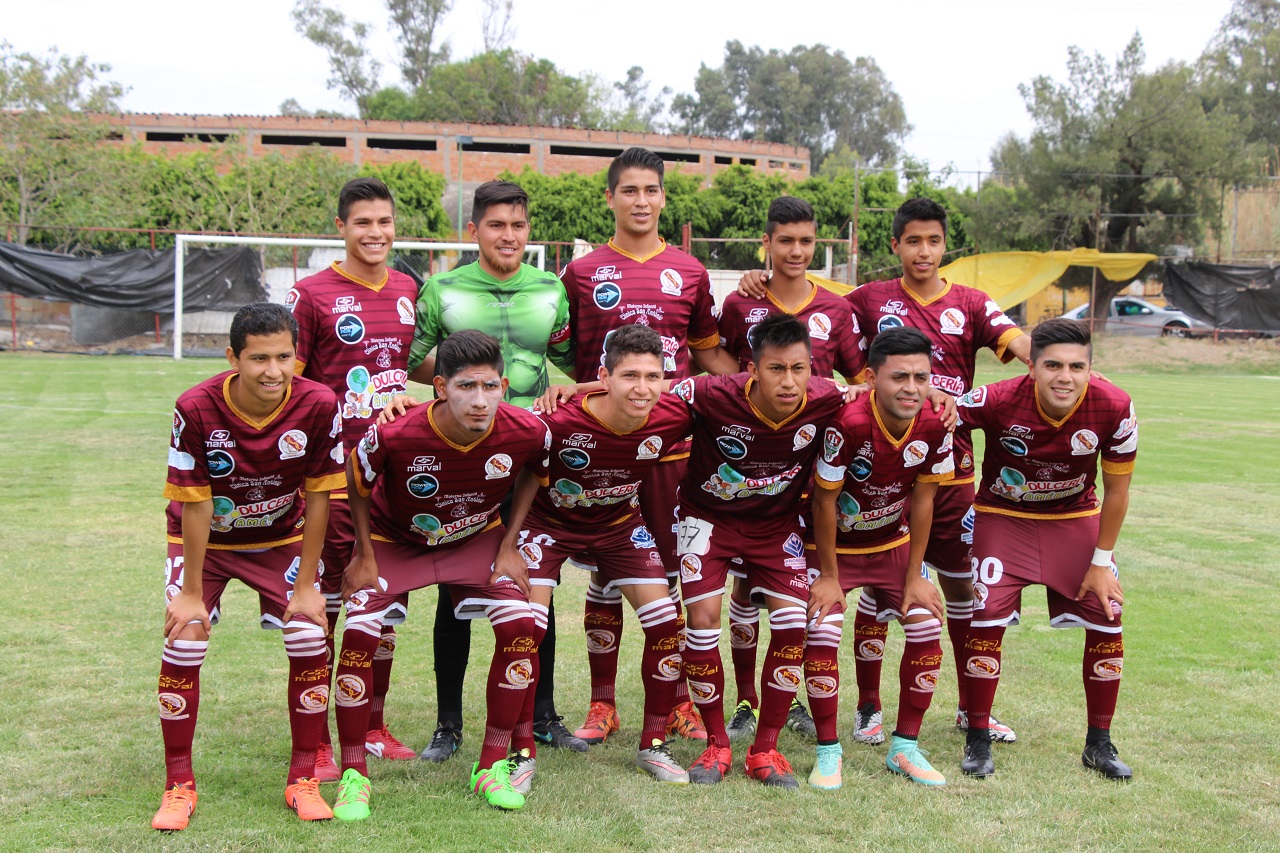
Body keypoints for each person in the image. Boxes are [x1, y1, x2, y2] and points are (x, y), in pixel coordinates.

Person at [739, 196, 1029, 746]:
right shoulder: (867, 299)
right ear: (894, 245)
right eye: (913, 240)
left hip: (951, 472)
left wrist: (1056, 359)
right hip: (876, 474)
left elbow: (1017, 342)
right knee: (875, 585)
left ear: (946, 245)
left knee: (959, 590)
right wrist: (759, 278)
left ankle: (975, 709)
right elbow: (806, 297)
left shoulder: (970, 302)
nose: (924, 251)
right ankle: (868, 708)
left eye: (934, 240)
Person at [554, 146, 738, 745]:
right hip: (604, 450)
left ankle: (678, 697)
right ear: (610, 198)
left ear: (663, 197)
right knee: (607, 572)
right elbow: (559, 348)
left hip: (674, 451)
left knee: (677, 571)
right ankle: (602, 703)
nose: (640, 201)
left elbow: (708, 351)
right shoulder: (580, 274)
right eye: (629, 190)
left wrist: (754, 394)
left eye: (651, 191)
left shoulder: (689, 271)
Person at [329, 330, 550, 818]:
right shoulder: (394, 432)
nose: (479, 401)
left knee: (522, 623)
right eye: (466, 387)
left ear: (505, 385)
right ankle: (353, 774)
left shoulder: (528, 429)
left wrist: (510, 542)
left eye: (490, 387)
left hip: (474, 539)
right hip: (395, 542)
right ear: (441, 387)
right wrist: (364, 553)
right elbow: (356, 483)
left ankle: (491, 764)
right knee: (361, 633)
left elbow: (536, 471)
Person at [403, 180, 584, 761]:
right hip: (466, 457)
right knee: (454, 589)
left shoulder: (550, 287)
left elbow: (571, 359)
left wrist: (566, 391)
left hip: (529, 453)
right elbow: (410, 359)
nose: (509, 236)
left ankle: (545, 713)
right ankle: (448, 725)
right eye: (497, 225)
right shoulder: (443, 288)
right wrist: (466, 384)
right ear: (475, 229)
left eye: (519, 226)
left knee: (536, 586)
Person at [152, 303, 345, 830]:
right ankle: (178, 786)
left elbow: (321, 496)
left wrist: (308, 586)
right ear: (232, 356)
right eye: (259, 358)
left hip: (281, 538)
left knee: (309, 633)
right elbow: (194, 503)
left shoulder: (318, 403)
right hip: (206, 545)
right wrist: (190, 592)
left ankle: (303, 778)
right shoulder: (194, 407)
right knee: (184, 637)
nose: (273, 371)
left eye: (284, 356)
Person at [494, 324, 697, 785]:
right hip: (549, 526)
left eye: (652, 376)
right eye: (629, 376)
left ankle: (654, 744)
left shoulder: (672, 414)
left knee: (665, 622)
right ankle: (521, 750)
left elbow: (734, 392)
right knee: (525, 627)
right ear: (605, 376)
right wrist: (509, 543)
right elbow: (525, 473)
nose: (642, 388)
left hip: (619, 527)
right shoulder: (560, 420)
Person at [955, 318, 1137, 780]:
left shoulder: (1114, 405)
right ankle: (977, 738)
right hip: (1003, 518)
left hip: (1073, 520)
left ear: (1091, 369)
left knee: (1108, 618)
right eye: (1052, 364)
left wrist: (1100, 562)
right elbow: (942, 413)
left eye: (1077, 366)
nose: (1065, 376)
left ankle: (1099, 742)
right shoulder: (998, 399)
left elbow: (1117, 492)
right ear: (1031, 367)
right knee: (986, 618)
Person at [672, 313, 845, 789]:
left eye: (799, 368)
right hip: (708, 519)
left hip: (775, 526)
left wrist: (937, 395)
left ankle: (764, 749)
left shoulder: (828, 397)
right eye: (775, 369)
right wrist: (577, 389)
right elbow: (642, 393)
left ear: (812, 368)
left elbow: (876, 399)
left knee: (794, 626)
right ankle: (716, 745)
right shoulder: (711, 392)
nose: (788, 381)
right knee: (704, 617)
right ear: (751, 369)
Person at [717, 196, 867, 743]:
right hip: (748, 463)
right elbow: (715, 363)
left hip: (813, 467)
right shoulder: (740, 303)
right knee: (741, 583)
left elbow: (860, 377)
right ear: (768, 243)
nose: (797, 251)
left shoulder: (838, 308)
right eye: (786, 241)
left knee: (797, 582)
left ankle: (795, 693)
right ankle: (745, 701)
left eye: (806, 241)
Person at [286, 177, 420, 772]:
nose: (375, 233)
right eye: (363, 223)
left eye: (384, 222)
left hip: (389, 472)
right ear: (340, 227)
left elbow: (402, 368)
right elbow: (284, 382)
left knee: (383, 603)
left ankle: (372, 723)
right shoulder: (310, 295)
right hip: (332, 476)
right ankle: (316, 738)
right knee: (330, 604)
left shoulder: (408, 288)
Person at [804, 327, 955, 790]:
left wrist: (915, 576)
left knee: (927, 622)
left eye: (922, 377)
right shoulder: (849, 422)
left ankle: (905, 747)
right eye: (899, 377)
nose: (912, 388)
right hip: (832, 549)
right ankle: (828, 752)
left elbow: (924, 501)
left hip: (893, 544)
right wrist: (829, 576)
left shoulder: (935, 420)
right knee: (823, 627)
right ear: (871, 378)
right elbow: (823, 502)